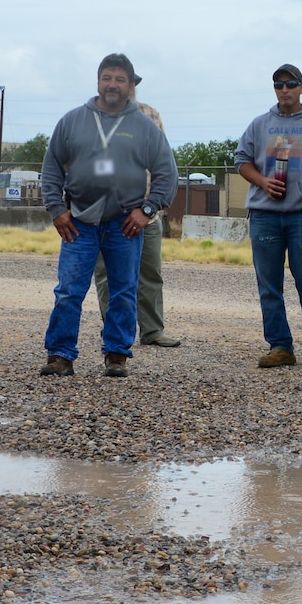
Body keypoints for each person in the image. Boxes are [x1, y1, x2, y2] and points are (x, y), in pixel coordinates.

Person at [40, 55, 179, 377]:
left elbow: (166, 173)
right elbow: (50, 169)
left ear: (131, 86)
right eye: (106, 78)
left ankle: (116, 354)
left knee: (124, 291)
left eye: (119, 79)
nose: (112, 85)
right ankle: (60, 355)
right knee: (69, 290)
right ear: (98, 81)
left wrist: (146, 209)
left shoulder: (144, 125)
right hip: (79, 223)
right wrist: (56, 209)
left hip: (124, 225)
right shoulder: (73, 121)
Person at [236, 64, 302, 366]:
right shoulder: (260, 124)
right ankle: (280, 346)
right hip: (264, 215)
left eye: (291, 84)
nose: (284, 89)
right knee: (269, 285)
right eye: (279, 84)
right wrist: (262, 181)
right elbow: (242, 160)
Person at [93, 89, 179, 347]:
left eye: (126, 81)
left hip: (146, 214)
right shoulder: (94, 118)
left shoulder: (150, 115)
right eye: (112, 79)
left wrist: (149, 206)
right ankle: (115, 333)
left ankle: (152, 331)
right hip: (107, 214)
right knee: (108, 275)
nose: (120, 86)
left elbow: (162, 163)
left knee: (150, 273)